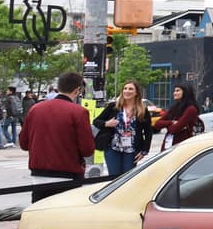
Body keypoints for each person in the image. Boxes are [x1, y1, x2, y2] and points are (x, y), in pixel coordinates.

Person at [19, 72, 95, 201]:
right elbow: (87, 149)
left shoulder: (35, 109)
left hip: (39, 174)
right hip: (69, 173)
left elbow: (24, 143)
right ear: (77, 90)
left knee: (40, 216)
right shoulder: (79, 112)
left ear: (58, 87)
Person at [92, 81, 153, 176]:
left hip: (132, 150)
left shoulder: (142, 110)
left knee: (127, 178)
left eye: (130, 89)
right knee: (114, 178)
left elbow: (148, 131)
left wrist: (145, 150)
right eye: (125, 88)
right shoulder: (113, 106)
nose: (127, 91)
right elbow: (96, 121)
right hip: (113, 148)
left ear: (136, 93)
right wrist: (106, 123)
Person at [154, 83, 200, 151]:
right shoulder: (174, 108)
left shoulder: (191, 109)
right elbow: (157, 124)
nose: (174, 93)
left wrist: (168, 125)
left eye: (177, 91)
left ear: (185, 92)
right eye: (174, 91)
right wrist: (171, 122)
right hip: (167, 146)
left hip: (181, 147)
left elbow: (174, 129)